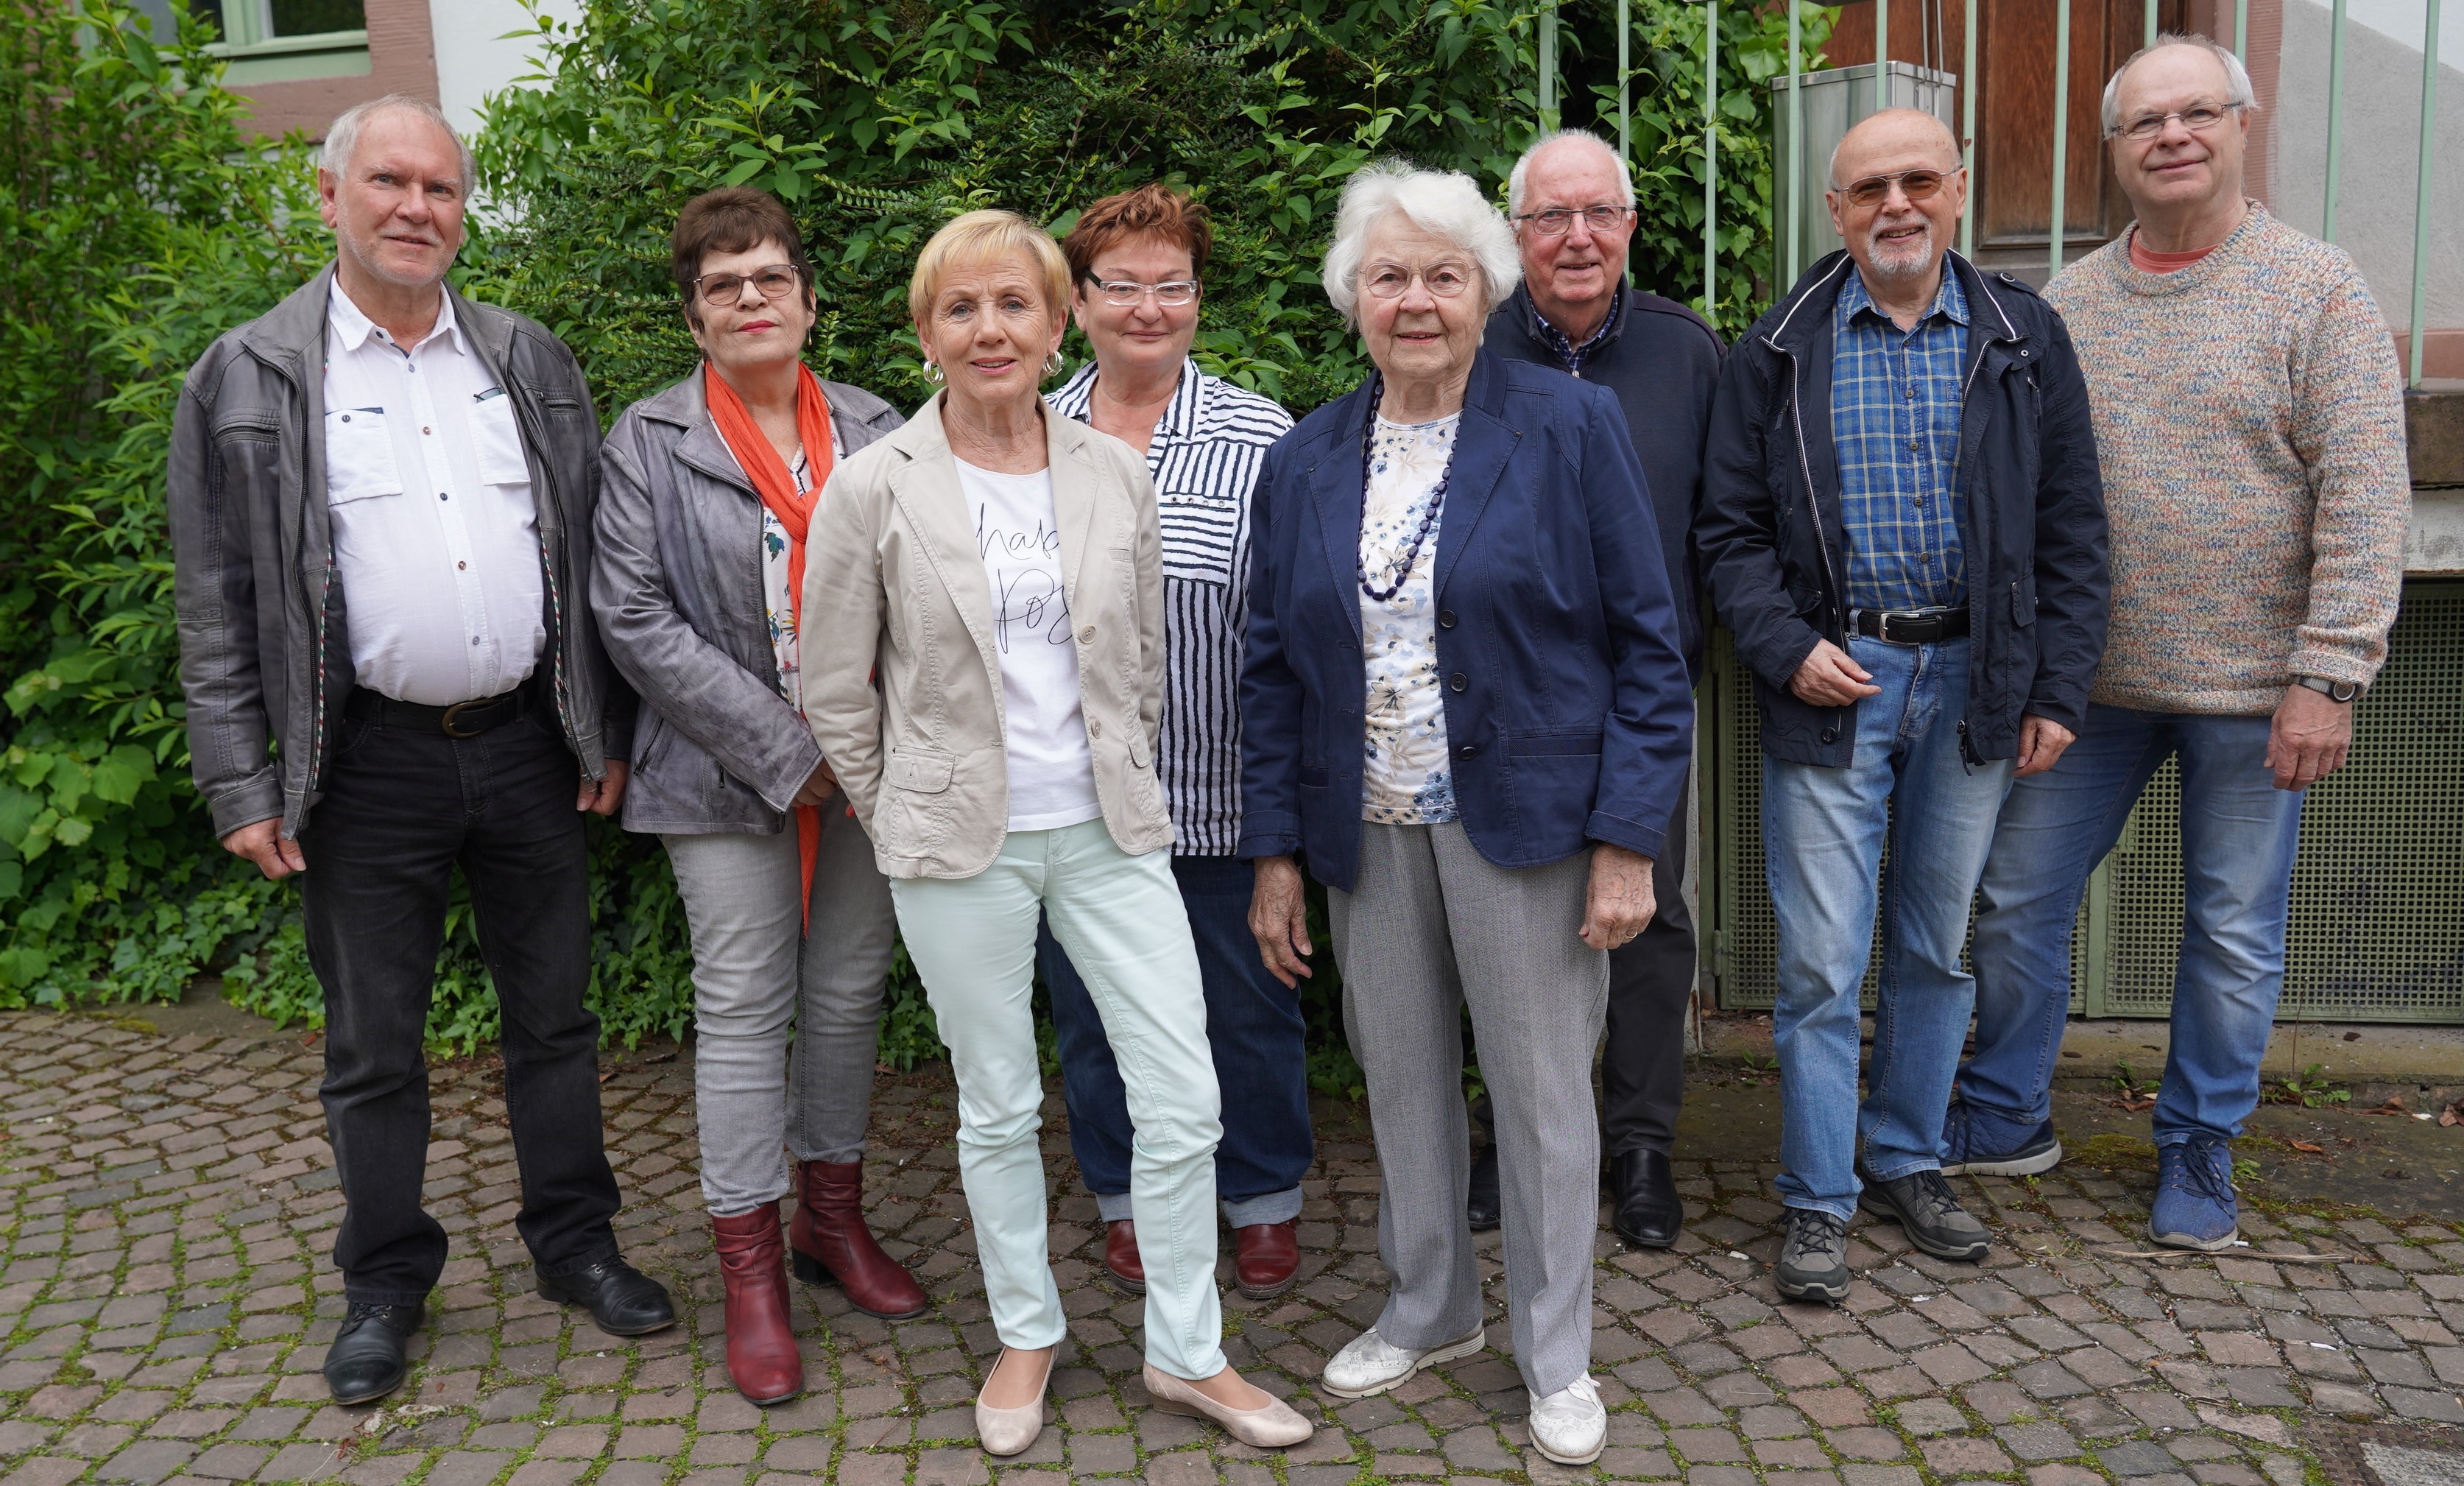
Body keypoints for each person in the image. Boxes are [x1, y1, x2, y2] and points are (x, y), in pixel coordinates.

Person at [166, 95, 673, 1404]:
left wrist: (596, 728)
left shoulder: (528, 359)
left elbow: (587, 565)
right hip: (362, 761)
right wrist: (238, 776)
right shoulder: (250, 375)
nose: (415, 209)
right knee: (374, 1045)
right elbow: (216, 595)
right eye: (388, 183)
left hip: (525, 747)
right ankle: (386, 1279)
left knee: (554, 1021)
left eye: (441, 189)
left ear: (464, 211)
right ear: (327, 199)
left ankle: (576, 1245)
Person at [799, 210, 1312, 1457]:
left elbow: (1133, 659)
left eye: (1014, 305)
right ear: (927, 334)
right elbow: (830, 683)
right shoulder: (875, 485)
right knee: (997, 1098)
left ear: (1054, 320)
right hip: (957, 844)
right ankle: (1027, 1332)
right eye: (962, 309)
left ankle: (1189, 1354)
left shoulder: (1107, 470)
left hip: (1107, 830)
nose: (991, 329)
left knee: (1183, 1092)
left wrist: (1115, 768)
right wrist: (895, 796)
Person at [1240, 162, 1692, 1466]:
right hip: (1366, 822)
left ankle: (1555, 1353)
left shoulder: (1565, 427)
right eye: (1390, 276)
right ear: (1352, 300)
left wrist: (1626, 840)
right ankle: (1430, 1303)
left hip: (1535, 820)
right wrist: (1276, 852)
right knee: (1401, 1075)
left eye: (1444, 274)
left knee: (1547, 1093)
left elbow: (1648, 647)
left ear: (1488, 289)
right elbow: (1274, 668)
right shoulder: (1307, 455)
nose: (1418, 300)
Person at [1956, 36, 2408, 1248]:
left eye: (2196, 112)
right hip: (2091, 688)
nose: (2172, 137)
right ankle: (2004, 1113)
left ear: (2241, 125)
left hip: (2259, 694)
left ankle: (2200, 1148)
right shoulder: (2071, 302)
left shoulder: (2318, 289)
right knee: (2011, 902)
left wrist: (2330, 673)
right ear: (2114, 152)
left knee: (2232, 935)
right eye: (2145, 122)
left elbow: (2367, 494)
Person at [1695, 108, 2108, 1303]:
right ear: (1836, 210)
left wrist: (2053, 686)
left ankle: (1906, 1154)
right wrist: (1785, 647)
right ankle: (1819, 1197)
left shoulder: (2024, 338)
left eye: (1919, 178)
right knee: (1824, 961)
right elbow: (1728, 534)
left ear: (1959, 188)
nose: (1896, 204)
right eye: (1869, 185)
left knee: (1936, 944)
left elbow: (2073, 529)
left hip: (1976, 685)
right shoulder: (1776, 348)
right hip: (1840, 684)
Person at [590, 186, 929, 1405]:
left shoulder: (886, 428)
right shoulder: (649, 440)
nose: (749, 300)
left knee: (845, 996)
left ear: (808, 300)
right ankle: (750, 1272)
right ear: (695, 317)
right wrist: (794, 750)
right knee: (743, 1006)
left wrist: (872, 745)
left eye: (768, 279)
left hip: (872, 776)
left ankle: (829, 1223)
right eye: (722, 286)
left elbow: (928, 597)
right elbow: (632, 617)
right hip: (721, 779)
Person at [1034, 185, 1313, 1300]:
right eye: (1123, 286)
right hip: (1074, 798)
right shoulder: (1024, 431)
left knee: (1247, 1007)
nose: (1150, 308)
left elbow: (1294, 639)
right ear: (1080, 300)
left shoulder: (1263, 438)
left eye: (1174, 285)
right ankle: (1130, 1197)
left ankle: (1261, 1198)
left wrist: (1281, 833)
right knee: (1096, 1014)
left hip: (1219, 799)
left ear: (1199, 298)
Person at [1479, 129, 1723, 1250]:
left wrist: (1688, 653)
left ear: (1629, 225)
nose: (1576, 237)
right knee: (1501, 920)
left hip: (1640, 690)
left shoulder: (1687, 352)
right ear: (1515, 232)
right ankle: (1507, 1134)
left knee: (1649, 914)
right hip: (1502, 694)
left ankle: (1639, 1145)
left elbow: (1728, 524)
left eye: (1599, 214)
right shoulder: (1469, 344)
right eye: (1549, 217)